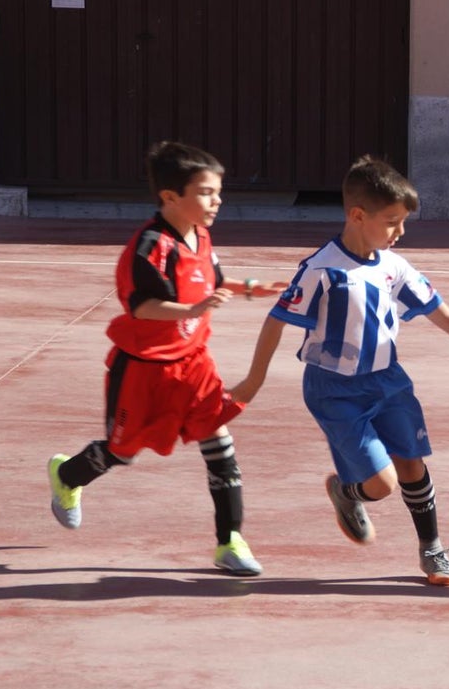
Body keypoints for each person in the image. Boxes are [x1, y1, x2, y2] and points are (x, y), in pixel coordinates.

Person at [231, 155, 449, 586]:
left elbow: (431, 303)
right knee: (382, 485)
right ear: (358, 215)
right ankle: (346, 491)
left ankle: (431, 550)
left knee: (412, 465)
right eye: (392, 221)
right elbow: (276, 319)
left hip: (389, 381)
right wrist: (255, 378)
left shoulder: (393, 265)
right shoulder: (322, 270)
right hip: (334, 390)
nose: (401, 232)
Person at [45, 141, 286, 576]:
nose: (218, 200)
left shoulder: (202, 235)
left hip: (194, 365)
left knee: (220, 445)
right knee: (122, 451)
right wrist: (192, 310)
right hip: (142, 370)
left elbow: (210, 278)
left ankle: (229, 540)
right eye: (207, 192)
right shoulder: (150, 245)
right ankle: (68, 476)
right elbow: (141, 306)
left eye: (218, 191)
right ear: (171, 196)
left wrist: (251, 286)